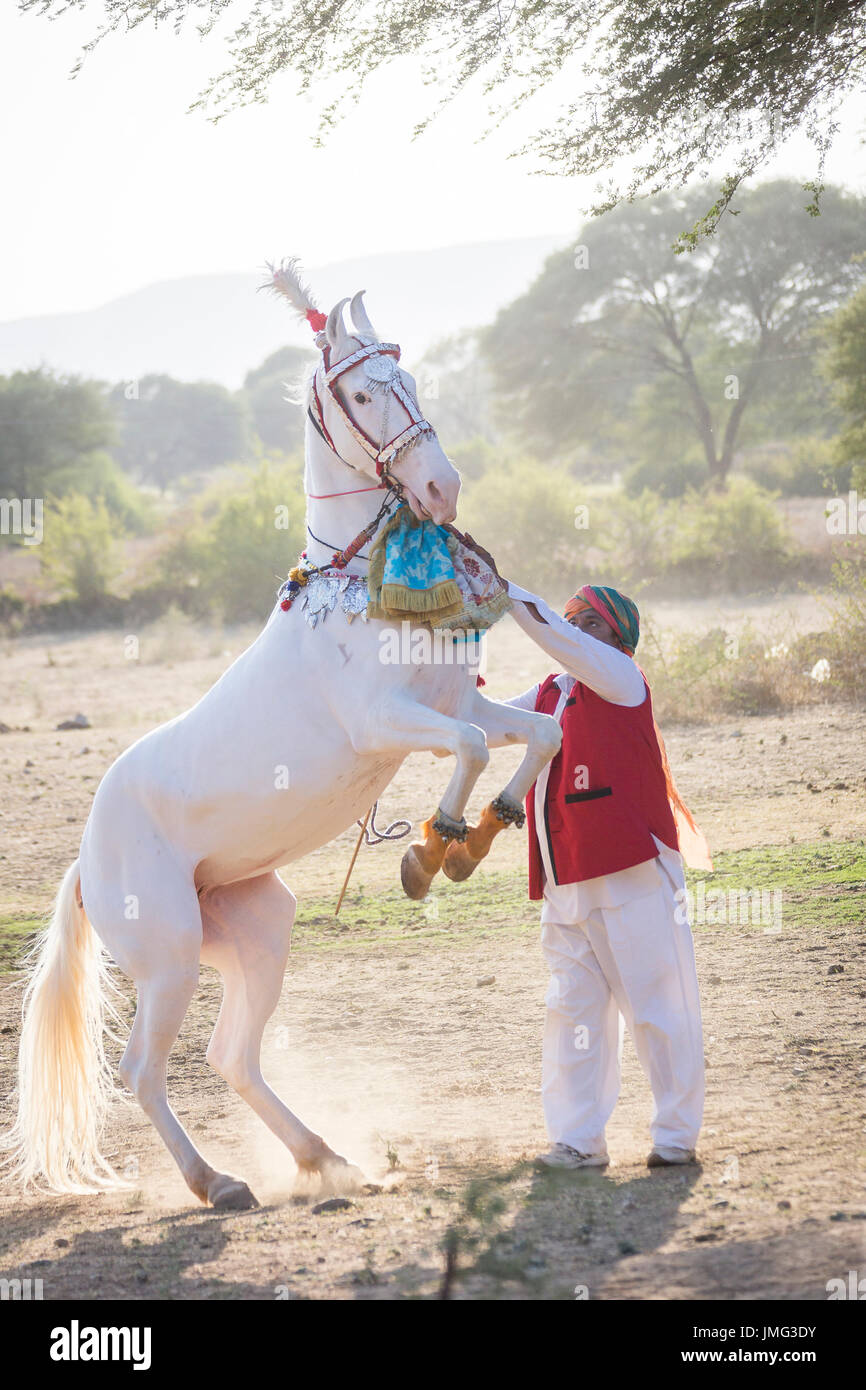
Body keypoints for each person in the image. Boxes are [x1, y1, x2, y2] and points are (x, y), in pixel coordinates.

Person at [501, 578, 710, 1170]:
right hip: (564, 881)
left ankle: (675, 1138)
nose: (574, 631)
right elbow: (487, 725)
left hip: (633, 872)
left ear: (617, 637)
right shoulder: (550, 691)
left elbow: (560, 642)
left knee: (658, 1008)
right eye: (568, 620)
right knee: (572, 1013)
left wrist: (500, 586)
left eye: (587, 623)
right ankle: (577, 1141)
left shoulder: (621, 677)